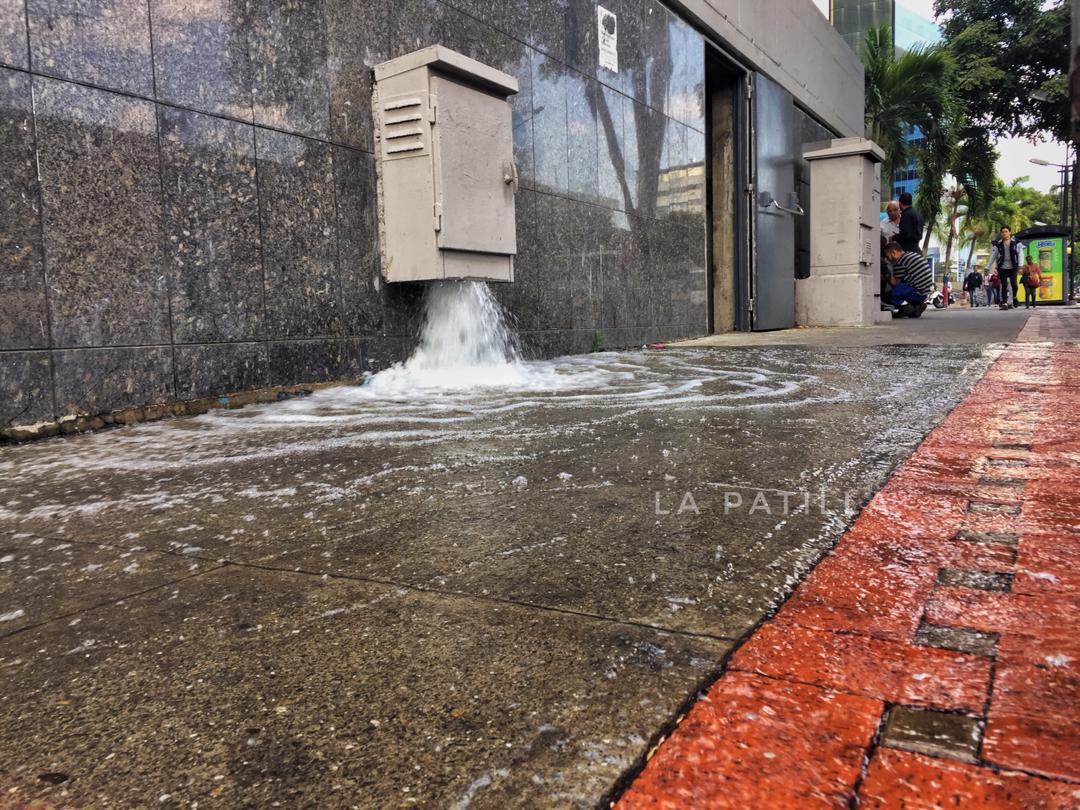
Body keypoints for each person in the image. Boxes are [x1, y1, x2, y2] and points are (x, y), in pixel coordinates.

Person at [884, 241, 932, 316]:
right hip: (925, 293)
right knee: (903, 288)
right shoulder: (912, 255)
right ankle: (917, 307)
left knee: (892, 294)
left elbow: (894, 283)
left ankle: (905, 307)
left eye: (888, 256)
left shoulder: (900, 261)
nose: (887, 259)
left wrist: (887, 272)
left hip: (917, 292)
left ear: (893, 253)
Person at [988, 226, 1023, 309]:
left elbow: (1020, 254)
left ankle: (1014, 297)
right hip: (1002, 267)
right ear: (1001, 233)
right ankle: (1004, 303)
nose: (1004, 233)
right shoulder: (998, 244)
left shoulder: (1016, 242)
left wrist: (1020, 265)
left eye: (1006, 231)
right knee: (1003, 285)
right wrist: (988, 266)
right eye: (1003, 232)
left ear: (1010, 232)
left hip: (1013, 267)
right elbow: (993, 255)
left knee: (1014, 284)